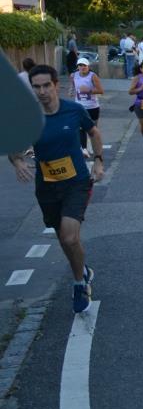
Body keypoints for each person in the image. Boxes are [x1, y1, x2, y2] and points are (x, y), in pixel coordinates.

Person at [8, 65, 103, 314]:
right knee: (63, 238)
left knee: (71, 237)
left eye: (46, 86)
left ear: (56, 85)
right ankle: (82, 270)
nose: (41, 91)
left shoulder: (74, 110)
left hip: (76, 182)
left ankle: (79, 284)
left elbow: (93, 132)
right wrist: (18, 162)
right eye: (36, 87)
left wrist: (99, 160)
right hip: (47, 186)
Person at [70, 58, 104, 157]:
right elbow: (73, 86)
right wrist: (71, 91)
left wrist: (88, 90)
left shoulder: (93, 76)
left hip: (92, 106)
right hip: (79, 106)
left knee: (93, 130)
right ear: (77, 67)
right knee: (81, 128)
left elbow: (101, 90)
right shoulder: (73, 75)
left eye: (84, 65)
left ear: (88, 66)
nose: (82, 67)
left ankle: (93, 147)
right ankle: (84, 148)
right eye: (80, 65)